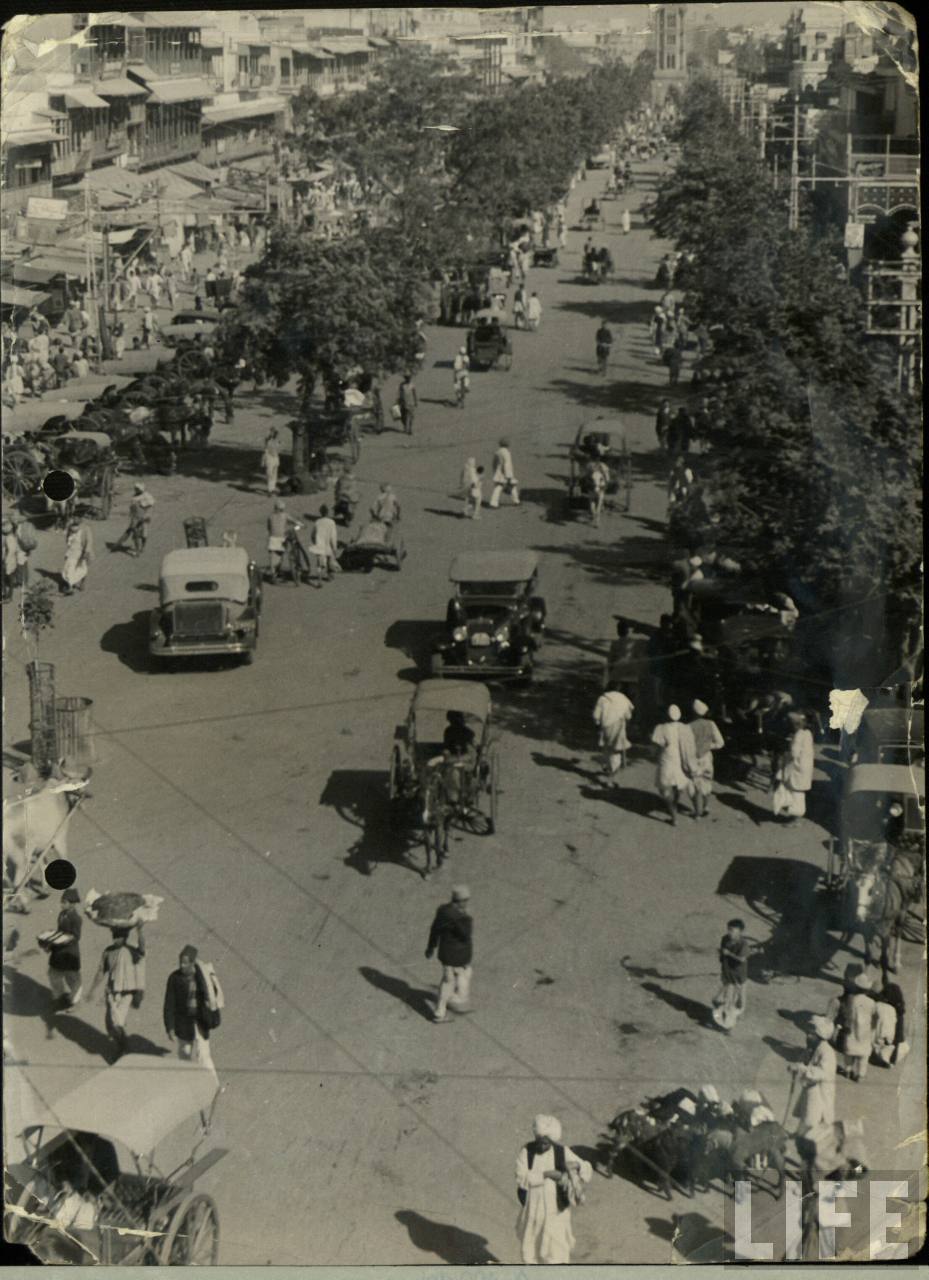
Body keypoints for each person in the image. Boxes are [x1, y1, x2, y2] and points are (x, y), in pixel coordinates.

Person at [515, 1115, 592, 1264]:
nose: (541, 1147)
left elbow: (586, 1169)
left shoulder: (561, 1151)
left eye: (545, 1144)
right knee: (532, 1250)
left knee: (556, 1251)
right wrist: (547, 1174)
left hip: (556, 1210)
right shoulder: (527, 1151)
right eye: (539, 1142)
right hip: (534, 1210)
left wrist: (576, 1165)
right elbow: (521, 1178)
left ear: (551, 1141)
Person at [87, 925, 146, 1060]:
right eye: (114, 936)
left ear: (125, 938)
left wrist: (140, 930)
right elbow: (101, 971)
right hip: (111, 992)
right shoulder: (108, 952)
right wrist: (92, 989)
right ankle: (123, 1044)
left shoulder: (131, 951)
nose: (116, 939)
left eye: (119, 937)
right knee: (109, 1024)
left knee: (116, 1022)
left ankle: (124, 1050)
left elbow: (142, 949)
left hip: (126, 993)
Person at [425, 885, 473, 1023]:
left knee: (448, 980)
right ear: (461, 901)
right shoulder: (460, 917)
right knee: (459, 977)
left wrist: (431, 947)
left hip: (446, 954)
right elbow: (466, 935)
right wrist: (466, 916)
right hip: (457, 957)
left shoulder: (443, 910)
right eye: (466, 900)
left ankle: (442, 1009)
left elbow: (434, 930)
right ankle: (449, 1004)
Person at [163, 944, 217, 1068]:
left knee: (203, 1056)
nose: (182, 965)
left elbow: (213, 995)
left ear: (192, 963)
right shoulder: (174, 978)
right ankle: (188, 1083)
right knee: (184, 1055)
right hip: (183, 1024)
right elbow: (169, 1004)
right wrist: (170, 1027)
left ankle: (213, 1085)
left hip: (200, 1022)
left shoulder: (202, 977)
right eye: (181, 962)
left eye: (185, 963)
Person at [791, 1015, 837, 1135]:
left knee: (812, 1118)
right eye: (807, 1033)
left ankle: (807, 1139)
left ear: (820, 1037)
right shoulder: (812, 1048)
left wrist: (801, 1069)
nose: (807, 1037)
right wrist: (797, 1066)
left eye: (811, 1035)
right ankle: (799, 1134)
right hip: (810, 1088)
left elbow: (822, 1072)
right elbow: (804, 1061)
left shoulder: (827, 1052)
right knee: (805, 1113)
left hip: (820, 1091)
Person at [651, 705, 696, 825]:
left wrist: (654, 754)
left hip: (667, 759)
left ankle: (674, 815)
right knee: (678, 784)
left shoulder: (661, 728)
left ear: (666, 715)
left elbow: (657, 744)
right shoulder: (685, 728)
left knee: (665, 788)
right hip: (681, 759)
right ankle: (674, 805)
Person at [43, 887, 83, 1013]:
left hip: (69, 953)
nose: (61, 904)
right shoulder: (62, 914)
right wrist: (51, 942)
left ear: (72, 904)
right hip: (58, 951)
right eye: (62, 901)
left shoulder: (76, 918)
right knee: (53, 974)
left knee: (73, 979)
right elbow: (59, 931)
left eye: (64, 902)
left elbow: (76, 936)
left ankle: (74, 1001)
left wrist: (62, 939)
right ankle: (58, 997)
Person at [772, 712, 814, 820]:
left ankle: (795, 819)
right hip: (805, 767)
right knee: (798, 791)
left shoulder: (798, 735)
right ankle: (794, 816)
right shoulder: (807, 733)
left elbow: (794, 753)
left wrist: (786, 749)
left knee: (795, 792)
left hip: (797, 768)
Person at [687, 700, 724, 818]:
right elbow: (720, 743)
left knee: (694, 784)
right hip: (707, 756)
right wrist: (708, 746)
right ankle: (705, 807)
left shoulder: (688, 726)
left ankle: (697, 811)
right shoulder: (711, 724)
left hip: (693, 757)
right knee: (707, 782)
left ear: (694, 712)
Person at [712, 918, 750, 1030]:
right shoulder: (724, 939)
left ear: (740, 932)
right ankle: (727, 1016)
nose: (729, 932)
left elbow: (742, 959)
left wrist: (729, 954)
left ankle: (739, 1012)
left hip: (739, 975)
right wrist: (722, 957)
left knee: (740, 997)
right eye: (728, 929)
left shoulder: (743, 944)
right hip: (727, 971)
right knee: (727, 995)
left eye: (732, 930)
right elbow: (722, 954)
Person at [840, 970, 877, 1082]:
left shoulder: (852, 1000)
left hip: (852, 1027)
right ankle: (860, 1075)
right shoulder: (871, 1002)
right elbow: (874, 1015)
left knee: (849, 1051)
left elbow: (847, 1013)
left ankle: (847, 1070)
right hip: (865, 1030)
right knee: (863, 1055)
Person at [594, 684, 634, 782]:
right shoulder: (624, 699)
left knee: (607, 747)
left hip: (606, 726)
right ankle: (613, 770)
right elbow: (628, 716)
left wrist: (598, 722)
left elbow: (596, 715)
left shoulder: (603, 698)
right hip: (619, 726)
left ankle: (608, 766)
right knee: (616, 749)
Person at [114, 483, 155, 557]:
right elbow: (132, 507)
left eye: (137, 489)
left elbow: (151, 503)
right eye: (135, 488)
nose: (136, 490)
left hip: (144, 517)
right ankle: (137, 549)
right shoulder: (134, 496)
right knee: (134, 531)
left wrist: (143, 506)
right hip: (135, 517)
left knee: (143, 534)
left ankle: (142, 546)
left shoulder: (146, 495)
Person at [266, 498, 300, 584]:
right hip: (281, 538)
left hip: (272, 538)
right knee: (280, 556)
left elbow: (269, 528)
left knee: (273, 557)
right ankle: (278, 572)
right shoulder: (285, 515)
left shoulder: (270, 516)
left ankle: (273, 574)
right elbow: (295, 521)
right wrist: (300, 525)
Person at [61, 516, 93, 596]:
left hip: (81, 552)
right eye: (74, 518)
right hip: (71, 552)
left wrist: (86, 551)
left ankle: (82, 582)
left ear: (80, 519)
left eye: (77, 518)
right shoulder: (70, 528)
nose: (75, 519)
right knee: (68, 568)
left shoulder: (86, 529)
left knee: (82, 568)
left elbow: (89, 541)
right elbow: (68, 540)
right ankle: (70, 586)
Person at [310, 504, 341, 581]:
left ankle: (319, 578)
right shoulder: (331, 522)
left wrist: (315, 543)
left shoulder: (317, 522)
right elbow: (333, 537)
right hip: (328, 546)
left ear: (320, 513)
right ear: (328, 513)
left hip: (319, 545)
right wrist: (335, 548)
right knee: (330, 559)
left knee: (319, 564)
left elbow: (312, 535)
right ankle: (330, 575)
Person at [489, 438, 520, 508]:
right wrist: (508, 476)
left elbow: (494, 463)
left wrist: (495, 472)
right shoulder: (506, 453)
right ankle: (493, 503)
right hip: (505, 474)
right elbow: (507, 464)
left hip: (499, 472)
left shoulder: (497, 452)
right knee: (501, 487)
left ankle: (516, 501)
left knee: (511, 487)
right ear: (507, 444)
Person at [261, 428, 281, 496]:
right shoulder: (268, 441)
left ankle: (273, 488)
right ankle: (269, 489)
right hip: (269, 458)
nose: (277, 436)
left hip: (275, 458)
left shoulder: (277, 441)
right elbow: (265, 451)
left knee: (275, 474)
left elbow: (279, 450)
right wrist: (263, 460)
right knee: (270, 474)